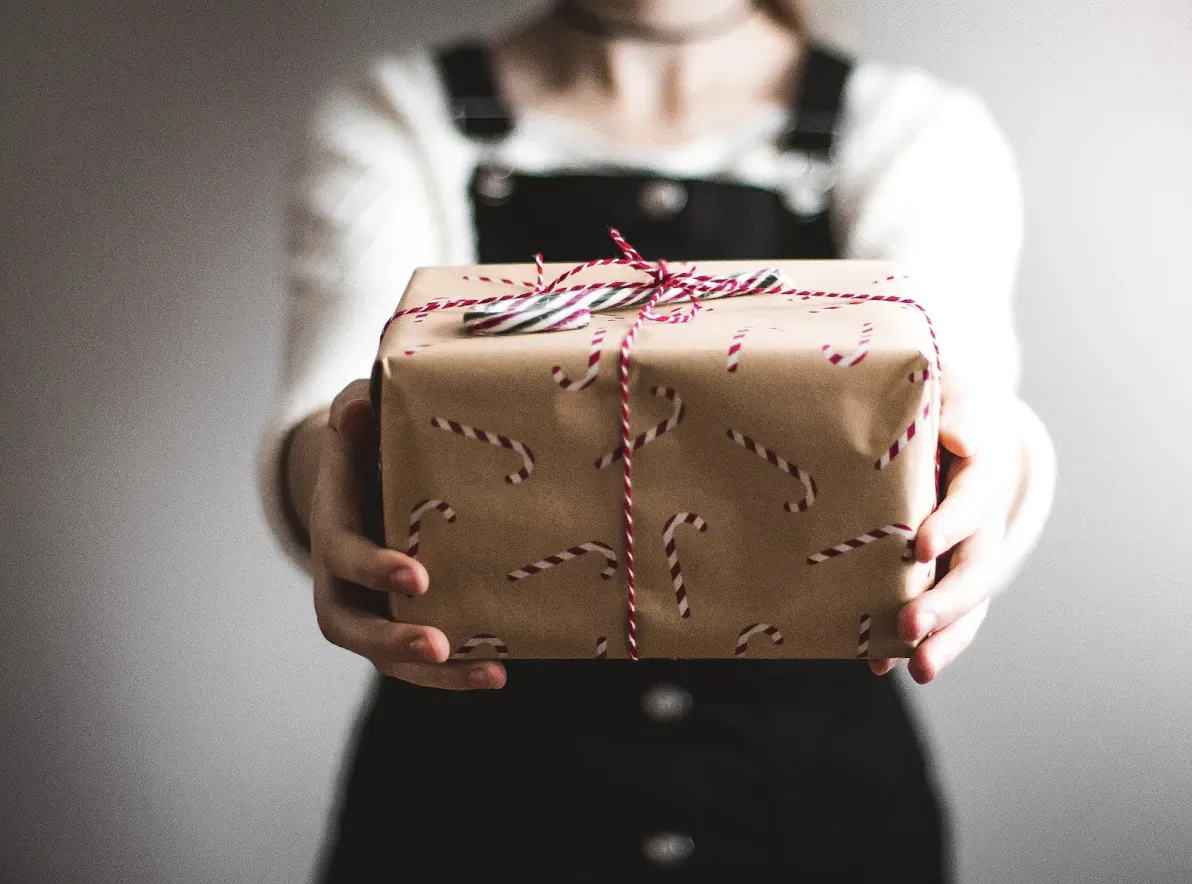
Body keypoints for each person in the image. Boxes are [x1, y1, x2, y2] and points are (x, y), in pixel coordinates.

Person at [258, 0, 1056, 879]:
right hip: (469, 820)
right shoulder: (398, 118)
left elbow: (961, 388)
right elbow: (337, 399)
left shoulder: (910, 130)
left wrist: (998, 467)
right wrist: (327, 476)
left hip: (815, 818)